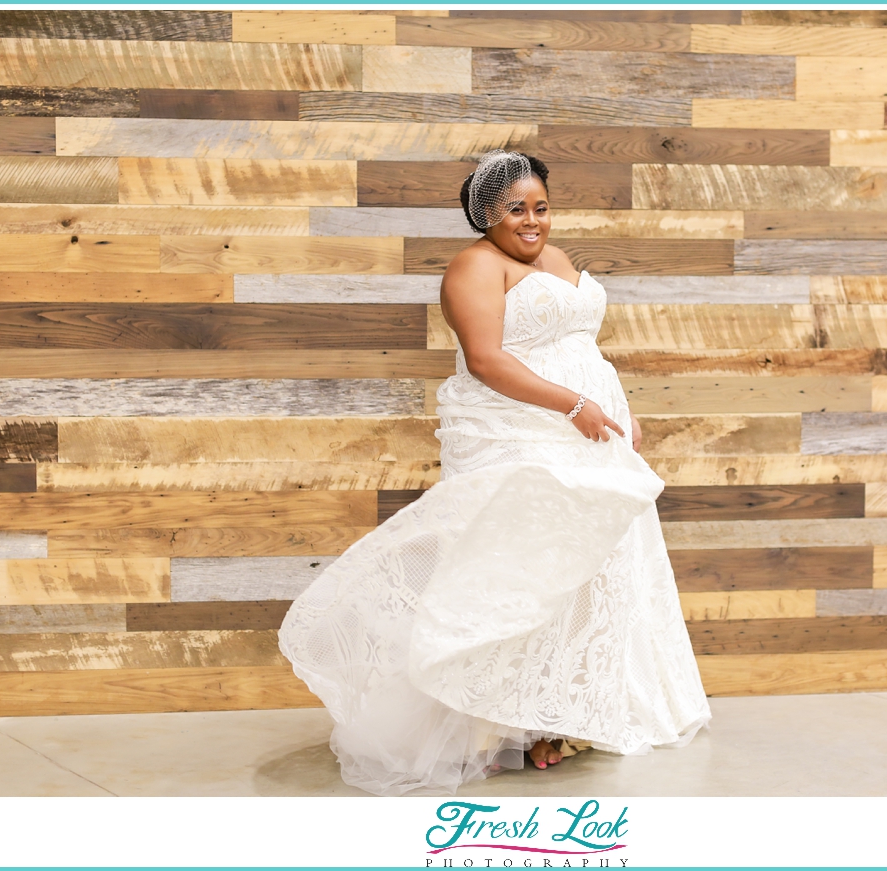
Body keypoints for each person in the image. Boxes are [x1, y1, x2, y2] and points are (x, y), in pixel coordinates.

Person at [278, 149, 711, 796]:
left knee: (590, 568)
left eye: (541, 207)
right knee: (522, 567)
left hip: (589, 431)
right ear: (486, 213)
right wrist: (574, 404)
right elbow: (483, 359)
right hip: (519, 431)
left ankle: (562, 712)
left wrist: (620, 411)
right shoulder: (473, 267)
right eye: (516, 209)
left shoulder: (557, 260)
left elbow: (582, 347)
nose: (532, 221)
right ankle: (504, 720)